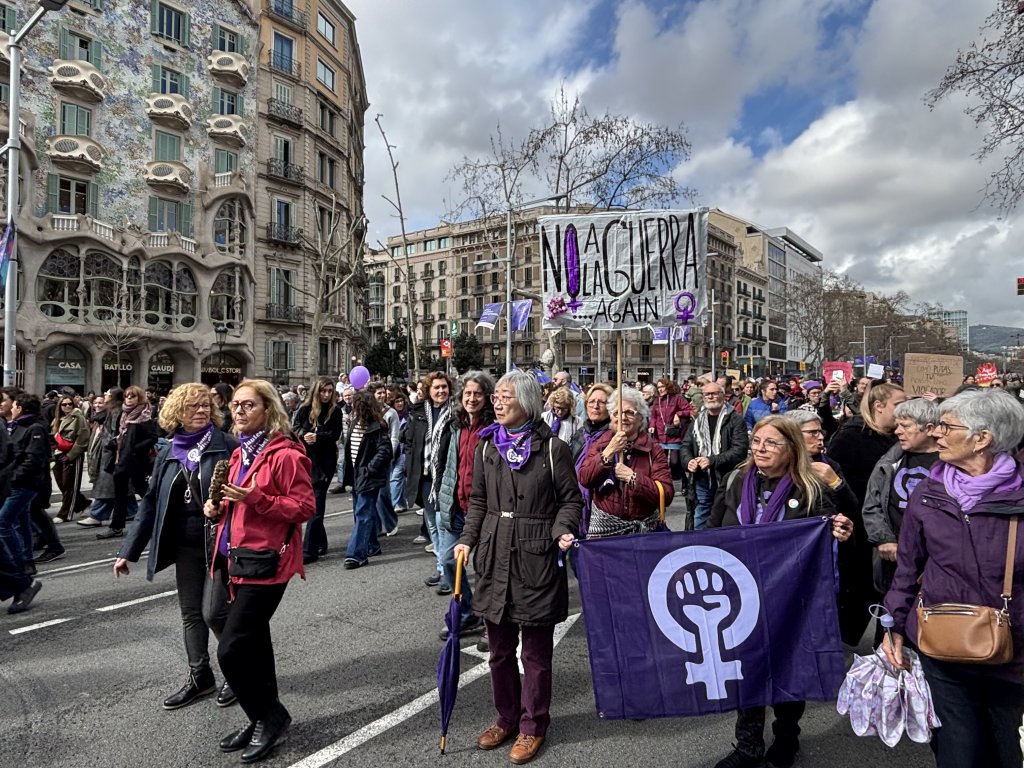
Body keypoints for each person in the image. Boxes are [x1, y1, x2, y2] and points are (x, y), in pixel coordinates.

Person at [883, 389, 1024, 768]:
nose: (936, 433)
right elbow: (907, 568)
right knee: (958, 752)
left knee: (1007, 752)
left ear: (982, 439)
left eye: (947, 426)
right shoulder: (928, 492)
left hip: (1013, 650)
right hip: (942, 645)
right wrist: (893, 624)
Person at [453, 370, 582, 765]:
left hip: (536, 557)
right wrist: (467, 539)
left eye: (505, 396)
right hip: (495, 555)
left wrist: (562, 529)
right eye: (496, 396)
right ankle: (506, 718)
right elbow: (478, 501)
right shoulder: (487, 446)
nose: (497, 402)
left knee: (536, 657)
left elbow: (570, 501)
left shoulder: (554, 449)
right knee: (499, 652)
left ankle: (533, 726)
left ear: (526, 402)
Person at [709, 415, 852, 768]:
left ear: (791, 448)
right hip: (741, 596)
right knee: (747, 669)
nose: (760, 449)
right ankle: (748, 745)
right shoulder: (735, 480)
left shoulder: (811, 489)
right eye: (756, 441)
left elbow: (828, 534)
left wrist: (839, 530)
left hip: (790, 598)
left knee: (789, 668)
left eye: (771, 443)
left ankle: (787, 736)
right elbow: (713, 529)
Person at [203, 379, 315, 764]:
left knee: (231, 649)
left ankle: (270, 716)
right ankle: (260, 718)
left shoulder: (286, 454)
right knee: (255, 645)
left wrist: (257, 498)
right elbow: (238, 507)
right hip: (236, 559)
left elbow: (304, 508)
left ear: (268, 409)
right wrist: (218, 510)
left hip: (268, 563)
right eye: (235, 404)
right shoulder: (239, 454)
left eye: (248, 404)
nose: (238, 410)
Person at [114, 384, 238, 710]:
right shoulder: (169, 451)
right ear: (177, 412)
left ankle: (238, 671)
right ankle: (200, 676)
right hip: (184, 545)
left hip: (218, 543)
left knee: (215, 612)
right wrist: (128, 551)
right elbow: (151, 503)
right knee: (191, 614)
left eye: (206, 405)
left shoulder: (226, 445)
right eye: (193, 406)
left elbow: (242, 494)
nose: (201, 411)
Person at [827, 381, 907, 644]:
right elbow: (835, 486)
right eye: (899, 404)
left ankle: (884, 648)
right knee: (857, 597)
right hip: (858, 533)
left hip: (891, 532)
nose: (904, 410)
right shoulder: (850, 437)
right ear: (878, 406)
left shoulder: (900, 439)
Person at [861, 398, 939, 597]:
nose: (897, 431)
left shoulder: (949, 463)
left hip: (934, 563)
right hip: (893, 562)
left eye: (905, 426)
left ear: (929, 428)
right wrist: (884, 539)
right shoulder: (889, 461)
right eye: (897, 425)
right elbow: (872, 504)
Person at [436, 371, 493, 631]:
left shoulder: (493, 429)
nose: (472, 398)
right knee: (449, 560)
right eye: (468, 393)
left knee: (483, 566)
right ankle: (470, 611)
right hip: (456, 506)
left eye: (477, 394)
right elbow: (447, 465)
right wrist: (441, 495)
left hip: (483, 510)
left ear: (486, 397)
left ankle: (486, 617)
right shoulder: (456, 425)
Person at [578, 386, 674, 537]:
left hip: (642, 535)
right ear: (611, 417)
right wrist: (609, 452)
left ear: (640, 417)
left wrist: (633, 478)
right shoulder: (600, 444)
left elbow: (666, 494)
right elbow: (584, 478)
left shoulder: (653, 450)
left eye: (629, 412)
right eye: (617, 412)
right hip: (604, 534)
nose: (622, 418)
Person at [405, 371, 453, 585]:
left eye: (444, 387)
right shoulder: (418, 412)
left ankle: (447, 572)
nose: (441, 391)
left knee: (444, 524)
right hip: (424, 477)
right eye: (437, 387)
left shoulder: (455, 413)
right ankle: (441, 566)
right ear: (428, 390)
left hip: (445, 478)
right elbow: (409, 442)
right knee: (432, 524)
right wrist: (409, 467)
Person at [679, 380, 749, 530]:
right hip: (702, 477)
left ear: (723, 396)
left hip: (727, 478)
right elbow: (686, 445)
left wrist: (712, 460)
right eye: (706, 394)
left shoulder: (735, 419)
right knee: (701, 516)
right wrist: (689, 461)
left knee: (725, 517)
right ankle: (699, 543)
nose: (710, 397)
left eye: (714, 394)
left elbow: (740, 450)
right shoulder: (697, 420)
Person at [293, 378, 345, 565]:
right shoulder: (304, 409)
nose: (326, 394)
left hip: (325, 461)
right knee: (312, 501)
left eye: (330, 391)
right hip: (307, 459)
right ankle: (321, 542)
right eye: (323, 391)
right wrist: (303, 435)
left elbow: (335, 433)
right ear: (316, 391)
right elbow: (294, 429)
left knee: (317, 501)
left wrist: (318, 436)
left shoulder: (336, 411)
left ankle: (309, 549)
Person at [97, 386, 160, 540]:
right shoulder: (123, 414)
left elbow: (153, 437)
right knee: (120, 495)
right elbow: (120, 434)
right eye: (127, 396)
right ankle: (116, 526)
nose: (129, 399)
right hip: (121, 460)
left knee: (144, 491)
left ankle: (161, 517)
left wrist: (135, 448)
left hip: (137, 461)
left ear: (139, 398)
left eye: (133, 396)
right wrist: (115, 443)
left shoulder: (144, 415)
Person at [339, 390, 392, 569]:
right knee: (361, 513)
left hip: (368, 476)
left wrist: (369, 469)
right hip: (356, 475)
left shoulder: (378, 426)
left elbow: (385, 450)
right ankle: (372, 545)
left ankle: (356, 555)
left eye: (359, 405)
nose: (356, 408)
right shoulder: (355, 423)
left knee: (362, 514)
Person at [0, 393, 51, 577]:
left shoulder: (34, 428)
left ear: (20, 408)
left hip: (24, 483)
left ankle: (19, 563)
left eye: (14, 406)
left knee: (3, 523)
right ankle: (27, 560)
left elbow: (33, 459)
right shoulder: (17, 426)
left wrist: (14, 477)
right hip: (16, 482)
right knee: (21, 522)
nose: (12, 409)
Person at [569, 383, 613, 538]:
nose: (595, 406)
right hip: (577, 500)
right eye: (592, 401)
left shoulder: (615, 436)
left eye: (602, 402)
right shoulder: (579, 434)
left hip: (602, 502)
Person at [50, 393, 91, 525]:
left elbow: (83, 437)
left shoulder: (78, 417)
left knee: (70, 485)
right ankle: (82, 502)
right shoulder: (57, 419)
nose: (67, 406)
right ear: (60, 406)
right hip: (57, 454)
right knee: (62, 483)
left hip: (71, 454)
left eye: (70, 404)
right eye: (64, 404)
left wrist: (71, 455)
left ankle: (65, 513)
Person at [649, 377, 693, 486]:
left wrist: (679, 414)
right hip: (660, 435)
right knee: (662, 463)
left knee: (675, 462)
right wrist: (652, 426)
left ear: (668, 387)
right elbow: (654, 416)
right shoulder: (657, 401)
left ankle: (684, 482)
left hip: (674, 434)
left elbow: (689, 410)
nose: (660, 389)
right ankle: (665, 484)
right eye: (658, 387)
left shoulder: (678, 398)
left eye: (662, 387)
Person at [371, 383, 401, 537]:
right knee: (372, 494)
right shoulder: (368, 411)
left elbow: (394, 437)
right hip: (370, 457)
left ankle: (390, 523)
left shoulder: (391, 413)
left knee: (383, 493)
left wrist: (389, 455)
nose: (382, 395)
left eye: (383, 392)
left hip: (384, 456)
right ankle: (376, 527)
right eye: (379, 393)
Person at [388, 387, 409, 513]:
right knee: (396, 477)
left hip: (403, 451)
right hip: (392, 451)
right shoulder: (391, 415)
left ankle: (391, 505)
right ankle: (401, 503)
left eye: (401, 401)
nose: (400, 404)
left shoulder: (409, 416)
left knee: (396, 477)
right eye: (397, 401)